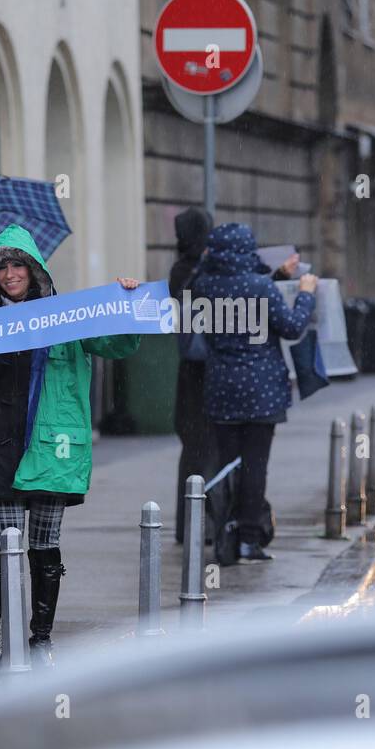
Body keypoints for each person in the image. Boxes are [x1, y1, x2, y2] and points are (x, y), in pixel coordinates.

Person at [0, 224, 140, 669]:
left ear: (35, 271)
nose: (10, 274)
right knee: (3, 544)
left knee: (45, 545)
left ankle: (41, 640)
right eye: (2, 268)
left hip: (53, 448)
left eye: (18, 265)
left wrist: (127, 299)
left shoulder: (66, 316)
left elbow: (118, 342)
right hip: (0, 451)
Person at [192, 223, 316, 565]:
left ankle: (227, 531)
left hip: (221, 388)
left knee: (228, 463)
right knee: (255, 465)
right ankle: (249, 539)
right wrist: (305, 293)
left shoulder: (203, 286)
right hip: (261, 390)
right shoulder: (260, 287)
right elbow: (291, 326)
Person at [168, 207, 217, 544]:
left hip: (190, 376)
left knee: (194, 453)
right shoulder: (194, 272)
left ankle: (190, 525)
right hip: (204, 375)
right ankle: (200, 524)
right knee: (204, 453)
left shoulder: (180, 270)